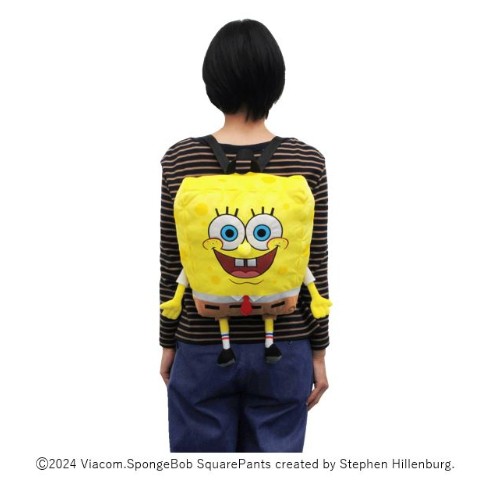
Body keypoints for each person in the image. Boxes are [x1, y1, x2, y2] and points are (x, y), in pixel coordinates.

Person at [159, 19, 330, 452]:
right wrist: (319, 352)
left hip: (200, 345)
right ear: (276, 81)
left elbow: (171, 263)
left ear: (212, 81)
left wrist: (167, 343)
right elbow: (316, 264)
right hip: (285, 345)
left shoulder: (181, 159)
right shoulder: (307, 161)